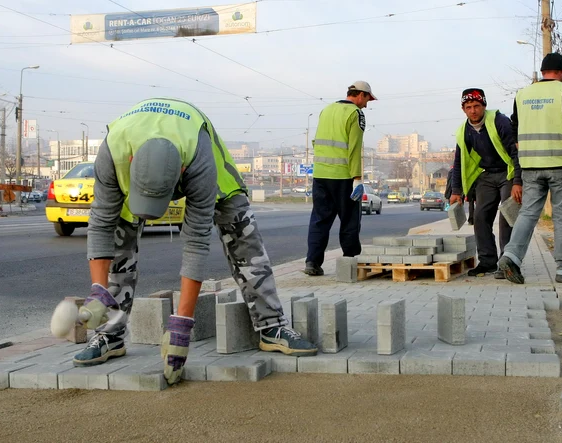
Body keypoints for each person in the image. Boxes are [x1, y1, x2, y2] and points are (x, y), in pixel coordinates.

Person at [74, 98, 318, 385]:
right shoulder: (112, 151)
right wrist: (97, 293)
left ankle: (271, 326)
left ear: (180, 173)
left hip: (206, 166)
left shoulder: (199, 161)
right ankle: (110, 335)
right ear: (131, 161)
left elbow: (196, 241)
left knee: (242, 231)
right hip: (136, 167)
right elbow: (101, 223)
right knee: (118, 236)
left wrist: (182, 326)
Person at [498, 53, 562, 284]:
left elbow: (515, 127)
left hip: (530, 166)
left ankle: (511, 256)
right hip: (560, 165)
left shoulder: (522, 94)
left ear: (543, 71)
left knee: (528, 213)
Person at [304, 81, 376, 276]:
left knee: (319, 220)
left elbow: (317, 141)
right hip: (343, 177)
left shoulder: (326, 110)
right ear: (360, 95)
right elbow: (353, 148)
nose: (367, 105)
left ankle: (312, 262)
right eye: (368, 99)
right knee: (350, 220)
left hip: (320, 175)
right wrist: (357, 178)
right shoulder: (355, 114)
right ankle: (351, 261)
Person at [450, 88, 522, 277]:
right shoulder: (463, 132)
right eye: (468, 107)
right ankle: (487, 261)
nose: (473, 110)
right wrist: (456, 190)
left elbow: (516, 152)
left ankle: (508, 263)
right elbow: (459, 162)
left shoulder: (500, 121)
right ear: (463, 109)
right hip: (487, 176)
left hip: (508, 173)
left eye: (476, 106)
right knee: (480, 217)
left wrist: (518, 181)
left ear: (484, 106)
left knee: (507, 216)